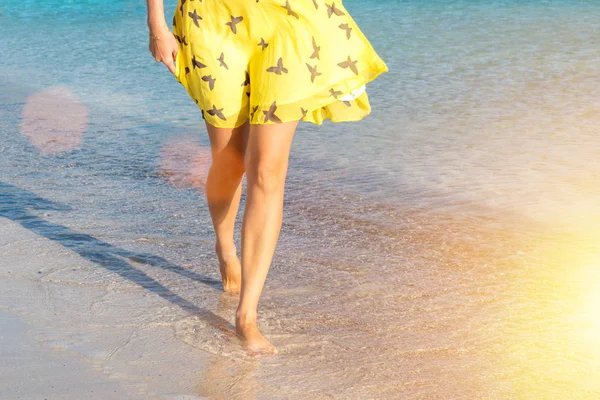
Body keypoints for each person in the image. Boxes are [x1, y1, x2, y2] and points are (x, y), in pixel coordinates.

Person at [146, 0, 388, 356]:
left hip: (287, 21)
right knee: (229, 159)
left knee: (266, 171)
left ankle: (247, 315)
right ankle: (226, 247)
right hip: (210, 20)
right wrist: (157, 25)